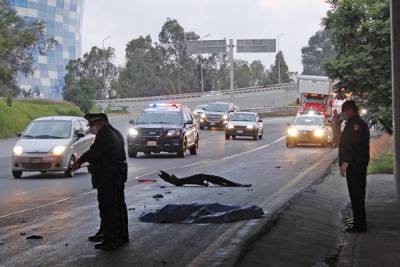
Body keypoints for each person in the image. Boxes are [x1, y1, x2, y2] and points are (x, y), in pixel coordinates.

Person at [72, 113, 129, 250]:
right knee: (117, 205)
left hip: (108, 177)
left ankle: (112, 239)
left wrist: (78, 162)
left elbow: (93, 153)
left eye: (93, 125)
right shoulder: (114, 133)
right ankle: (116, 234)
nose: (91, 128)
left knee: (109, 207)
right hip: (115, 176)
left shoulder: (106, 136)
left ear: (101, 123)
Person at [339, 100, 370, 233]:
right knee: (356, 194)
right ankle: (358, 219)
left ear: (350, 110)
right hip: (356, 164)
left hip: (355, 165)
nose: (343, 113)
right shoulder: (353, 123)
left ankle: (360, 225)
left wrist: (345, 162)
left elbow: (353, 146)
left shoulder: (356, 125)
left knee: (356, 194)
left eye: (344, 110)